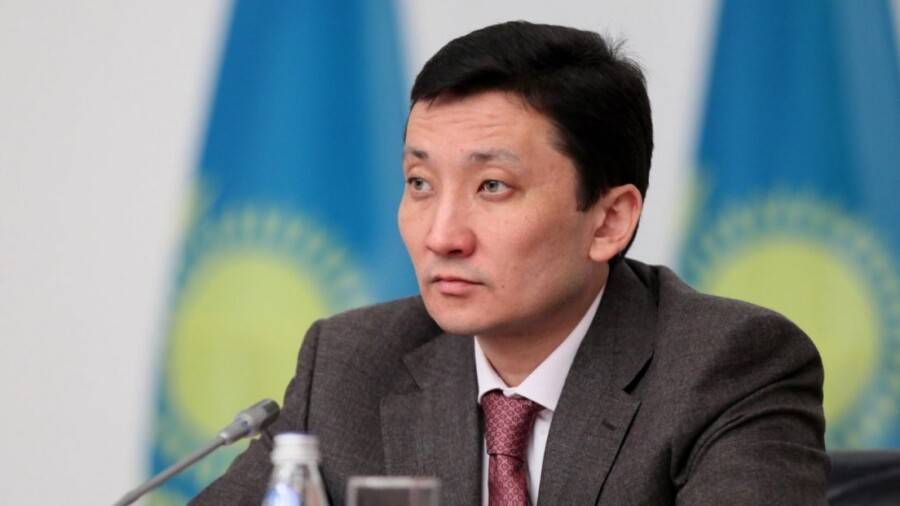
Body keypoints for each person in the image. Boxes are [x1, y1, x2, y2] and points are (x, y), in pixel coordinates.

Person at [193, 21, 828, 505]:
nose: (442, 235)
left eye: (492, 186)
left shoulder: (728, 367)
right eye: (419, 183)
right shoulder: (351, 365)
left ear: (609, 220)